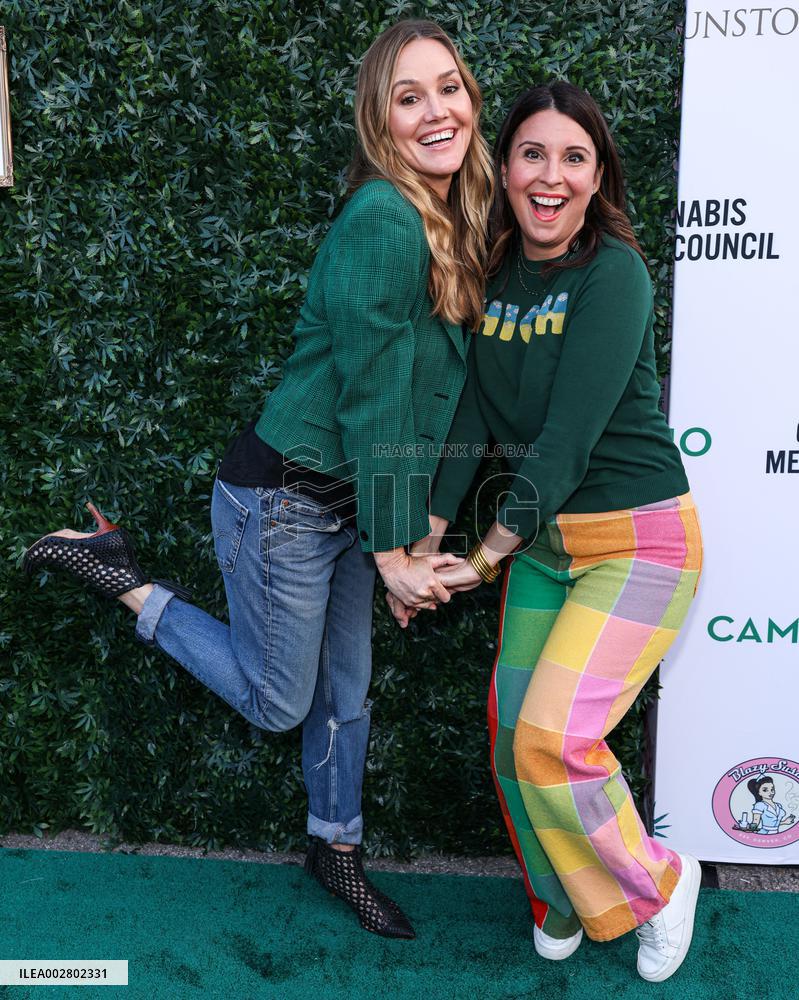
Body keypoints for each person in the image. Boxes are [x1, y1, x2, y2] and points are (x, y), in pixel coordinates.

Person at [24, 19, 492, 939]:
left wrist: (408, 542)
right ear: (380, 121)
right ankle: (116, 573)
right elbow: (369, 397)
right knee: (282, 702)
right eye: (409, 98)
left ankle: (335, 848)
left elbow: (423, 394)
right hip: (281, 500)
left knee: (346, 693)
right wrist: (398, 551)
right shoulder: (384, 220)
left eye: (449, 88)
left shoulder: (450, 221)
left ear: (470, 97)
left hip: (350, 502)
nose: (437, 111)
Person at [392, 81, 704, 981]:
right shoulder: (491, 275)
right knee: (508, 737)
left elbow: (562, 444)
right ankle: (558, 897)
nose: (551, 176)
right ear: (507, 166)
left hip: (638, 544)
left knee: (554, 738)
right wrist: (425, 540)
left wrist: (482, 561)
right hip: (546, 547)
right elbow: (476, 426)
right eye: (533, 153)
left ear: (597, 174)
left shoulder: (614, 273)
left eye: (574, 158)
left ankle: (655, 885)